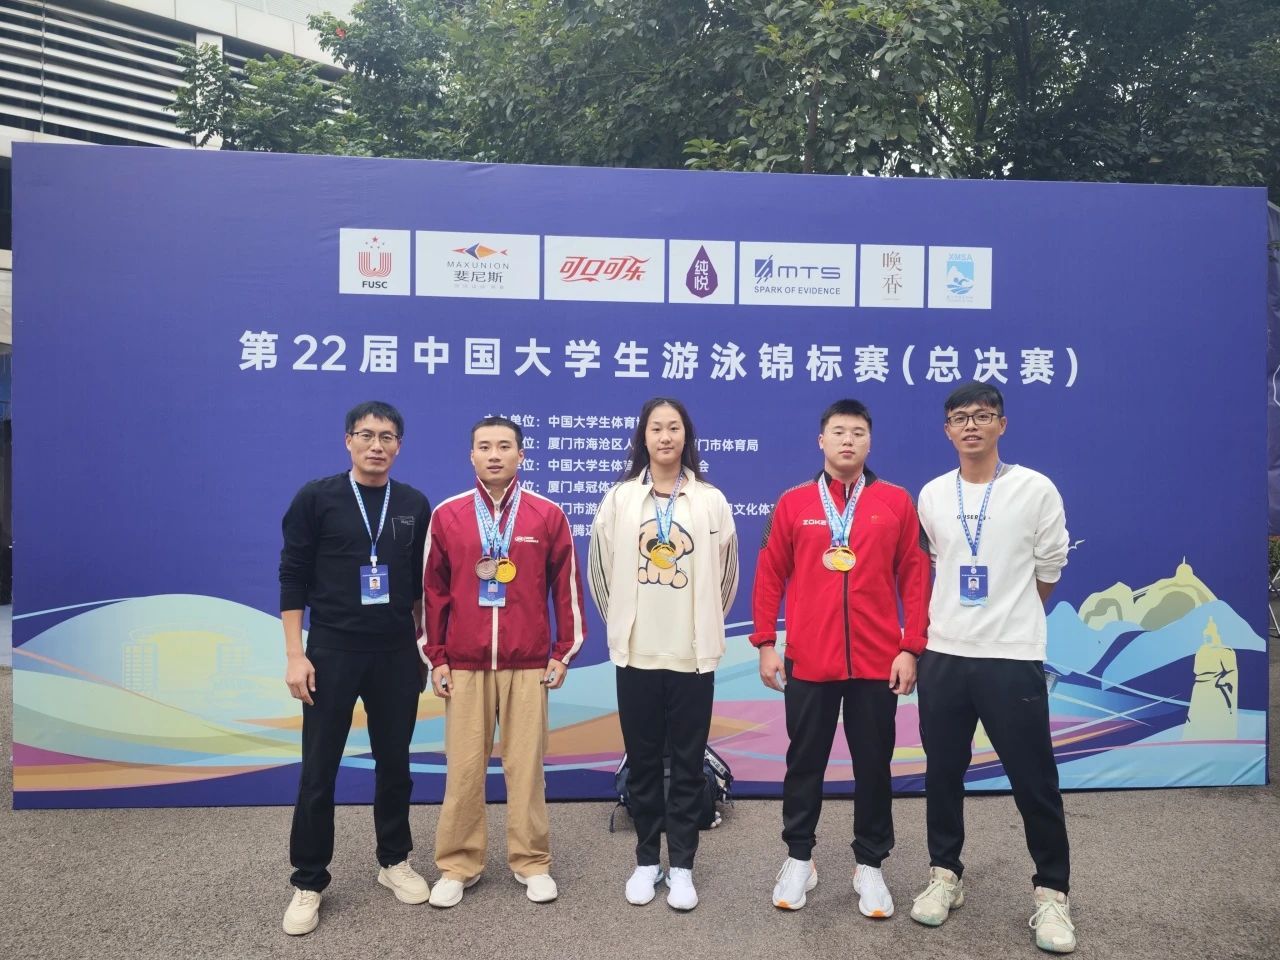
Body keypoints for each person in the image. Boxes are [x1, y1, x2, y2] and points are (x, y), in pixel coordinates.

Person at [910, 382, 1075, 953]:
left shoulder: (1035, 489)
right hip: (945, 654)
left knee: (1034, 781)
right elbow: (936, 562)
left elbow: (1049, 569)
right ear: (947, 430)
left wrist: (1010, 616)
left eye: (983, 416)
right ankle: (944, 875)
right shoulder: (933, 494)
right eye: (960, 418)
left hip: (1011, 656)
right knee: (942, 775)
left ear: (1002, 424)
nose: (971, 426)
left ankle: (1052, 894)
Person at [751, 398, 930, 917]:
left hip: (878, 662)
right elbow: (769, 574)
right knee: (804, 762)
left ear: (870, 442)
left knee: (873, 765)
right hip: (810, 660)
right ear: (821, 440)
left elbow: (915, 577)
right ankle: (799, 858)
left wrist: (910, 647)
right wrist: (766, 643)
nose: (847, 440)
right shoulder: (793, 502)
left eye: (857, 432)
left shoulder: (895, 502)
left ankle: (870, 863)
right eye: (838, 431)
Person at [278, 400, 433, 936]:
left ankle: (393, 860)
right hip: (332, 652)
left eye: (387, 437)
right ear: (348, 440)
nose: (376, 445)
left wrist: (421, 646)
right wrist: (295, 654)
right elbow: (292, 575)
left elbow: (420, 585)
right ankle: (308, 880)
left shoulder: (413, 503)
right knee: (319, 770)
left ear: (399, 446)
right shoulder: (316, 498)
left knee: (396, 764)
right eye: (366, 435)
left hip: (395, 654)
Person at [421, 415, 586, 907]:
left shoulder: (546, 515)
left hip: (528, 664)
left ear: (521, 454)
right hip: (465, 665)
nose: (494, 455)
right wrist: (436, 657)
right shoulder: (448, 515)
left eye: (504, 446)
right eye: (484, 446)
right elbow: (432, 593)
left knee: (526, 768)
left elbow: (565, 589)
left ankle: (532, 861)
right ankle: (458, 865)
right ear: (471, 455)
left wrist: (563, 651)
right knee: (464, 770)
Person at [587, 397, 739, 911]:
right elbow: (600, 570)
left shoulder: (710, 500)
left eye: (674, 427)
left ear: (685, 436)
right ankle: (647, 860)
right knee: (645, 761)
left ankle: (684, 867)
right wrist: (623, 627)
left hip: (692, 656)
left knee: (689, 763)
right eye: (657, 428)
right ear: (644, 437)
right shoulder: (620, 499)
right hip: (637, 654)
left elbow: (727, 574)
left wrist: (704, 626)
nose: (666, 436)